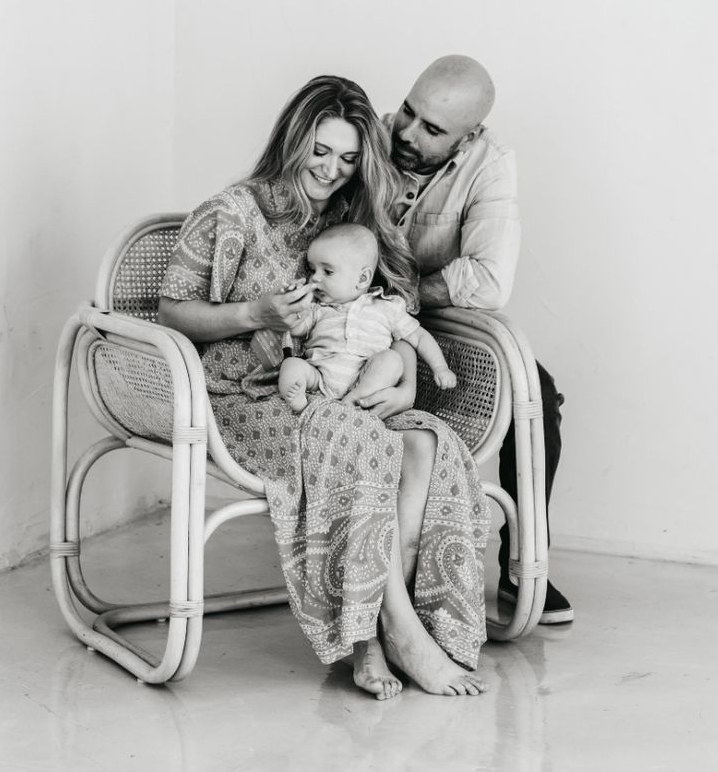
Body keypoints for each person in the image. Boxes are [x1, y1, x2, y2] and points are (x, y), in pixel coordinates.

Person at [158, 75, 492, 699]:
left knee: (428, 443)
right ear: (293, 139)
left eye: (347, 158)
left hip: (343, 389)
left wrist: (402, 366)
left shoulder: (353, 216)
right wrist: (254, 314)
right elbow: (171, 312)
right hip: (249, 394)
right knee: (362, 443)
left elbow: (397, 308)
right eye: (320, 151)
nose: (332, 170)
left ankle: (408, 622)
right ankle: (386, 636)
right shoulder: (232, 212)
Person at [379, 55, 573, 624]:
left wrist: (405, 292)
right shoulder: (369, 134)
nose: (408, 134)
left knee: (536, 393)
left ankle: (523, 563)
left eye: (432, 130)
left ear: (470, 136)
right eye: (408, 113)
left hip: (430, 322)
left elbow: (487, 281)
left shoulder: (491, 164)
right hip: (348, 317)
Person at [278, 222, 457, 413]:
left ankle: (353, 400)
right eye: (313, 270)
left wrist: (440, 367)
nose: (315, 278)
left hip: (364, 380)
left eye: (327, 271)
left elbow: (419, 337)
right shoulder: (318, 308)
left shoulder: (387, 307)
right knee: (291, 366)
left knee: (392, 360)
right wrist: (294, 304)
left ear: (362, 279)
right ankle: (302, 404)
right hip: (318, 378)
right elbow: (296, 329)